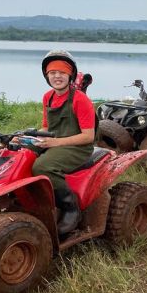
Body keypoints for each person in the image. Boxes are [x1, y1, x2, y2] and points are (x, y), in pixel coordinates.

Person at [32, 50, 95, 235]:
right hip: (56, 142)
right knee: (20, 154)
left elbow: (88, 136)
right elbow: (45, 126)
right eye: (52, 73)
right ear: (47, 76)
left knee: (42, 167)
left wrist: (55, 143)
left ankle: (70, 207)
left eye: (61, 72)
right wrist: (29, 137)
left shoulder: (80, 99)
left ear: (70, 74)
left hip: (78, 147)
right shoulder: (48, 97)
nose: (57, 76)